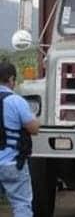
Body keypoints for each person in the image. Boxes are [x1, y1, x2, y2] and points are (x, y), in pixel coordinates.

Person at [0, 60, 40, 217]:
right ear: (11, 79)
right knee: (21, 204)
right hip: (12, 164)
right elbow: (34, 128)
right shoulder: (17, 101)